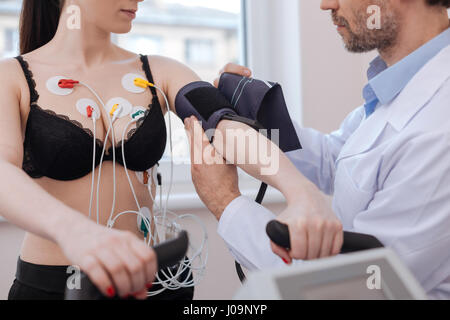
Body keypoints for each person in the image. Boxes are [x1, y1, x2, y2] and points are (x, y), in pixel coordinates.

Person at [0, 0, 324, 300]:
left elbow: (226, 128)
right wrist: (75, 233)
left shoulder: (158, 71)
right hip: (56, 287)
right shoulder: (12, 78)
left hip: (158, 281)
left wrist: (302, 193)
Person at [187, 0, 450, 299]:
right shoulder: (401, 83)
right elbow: (335, 160)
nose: (326, 5)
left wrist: (227, 202)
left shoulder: (440, 129)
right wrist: (257, 110)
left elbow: (358, 285)